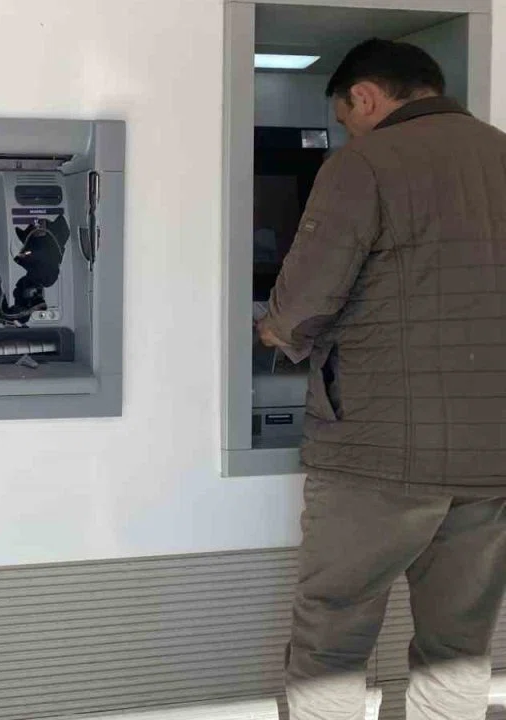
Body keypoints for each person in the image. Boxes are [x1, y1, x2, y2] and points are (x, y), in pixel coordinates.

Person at [258, 39, 506, 720]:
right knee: (458, 647)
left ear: (364, 97)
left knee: (332, 639)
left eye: (344, 120)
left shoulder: (363, 164)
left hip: (378, 458)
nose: (346, 134)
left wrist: (273, 330)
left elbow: (303, 303)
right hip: (493, 460)